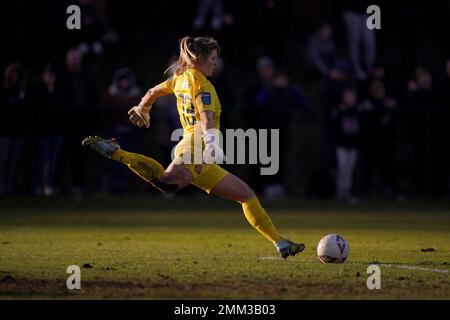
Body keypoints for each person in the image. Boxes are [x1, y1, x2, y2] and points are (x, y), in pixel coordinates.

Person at [82, 36, 304, 259]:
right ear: (199, 59)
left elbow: (152, 92)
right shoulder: (202, 85)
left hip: (199, 152)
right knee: (166, 183)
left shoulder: (179, 77)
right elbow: (206, 117)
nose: (215, 63)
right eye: (213, 58)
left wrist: (143, 108)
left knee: (246, 195)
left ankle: (280, 242)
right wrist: (212, 142)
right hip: (197, 146)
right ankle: (117, 152)